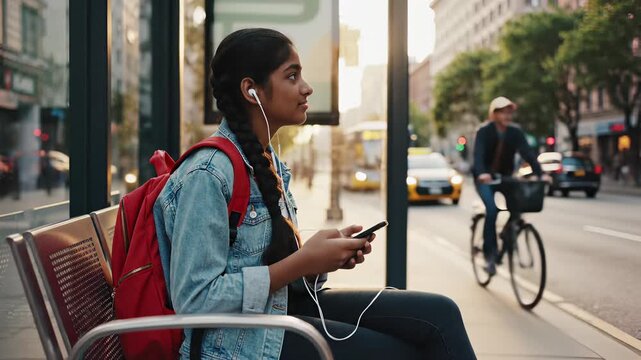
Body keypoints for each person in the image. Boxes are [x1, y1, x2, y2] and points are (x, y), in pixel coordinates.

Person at [154, 28, 476, 359]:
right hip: (238, 343)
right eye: (291, 76)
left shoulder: (266, 162)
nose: (306, 88)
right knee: (406, 353)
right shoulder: (207, 173)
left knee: (440, 314)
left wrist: (319, 260)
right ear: (252, 91)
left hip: (278, 313)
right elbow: (195, 299)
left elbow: (273, 272)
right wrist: (302, 262)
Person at [472, 96, 545, 276]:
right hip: (485, 179)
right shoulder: (484, 131)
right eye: (502, 112)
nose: (507, 115)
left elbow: (527, 152)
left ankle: (506, 234)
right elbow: (478, 155)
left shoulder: (515, 132)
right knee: (492, 209)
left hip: (505, 178)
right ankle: (489, 254)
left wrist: (541, 173)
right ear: (494, 114)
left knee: (517, 208)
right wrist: (482, 173)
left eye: (509, 112)